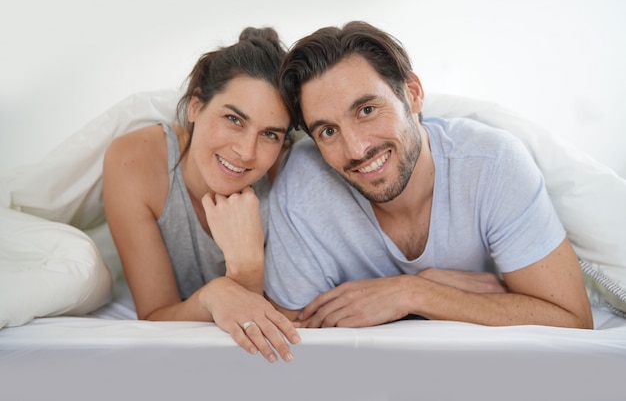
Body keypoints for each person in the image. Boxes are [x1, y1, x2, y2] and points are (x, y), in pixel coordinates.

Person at [264, 21, 593, 329]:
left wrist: (414, 293)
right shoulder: (303, 187)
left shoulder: (492, 163)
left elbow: (572, 320)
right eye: (328, 131)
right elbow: (298, 333)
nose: (356, 149)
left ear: (413, 93)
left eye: (366, 111)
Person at [103, 27, 300, 363]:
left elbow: (288, 322)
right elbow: (153, 315)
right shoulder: (136, 161)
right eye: (233, 119)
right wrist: (215, 294)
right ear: (195, 106)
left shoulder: (291, 174)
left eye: (269, 134)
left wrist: (246, 272)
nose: (245, 151)